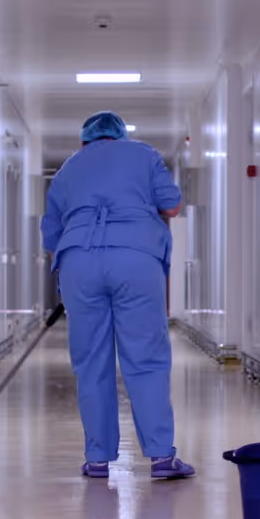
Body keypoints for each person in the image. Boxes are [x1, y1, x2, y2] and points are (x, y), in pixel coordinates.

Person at [41, 112, 196, 480]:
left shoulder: (68, 169)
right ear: (121, 137)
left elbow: (51, 237)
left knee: (90, 363)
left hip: (79, 262)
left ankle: (97, 459)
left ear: (84, 141)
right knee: (146, 358)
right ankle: (161, 457)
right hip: (136, 260)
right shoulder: (144, 155)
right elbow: (172, 206)